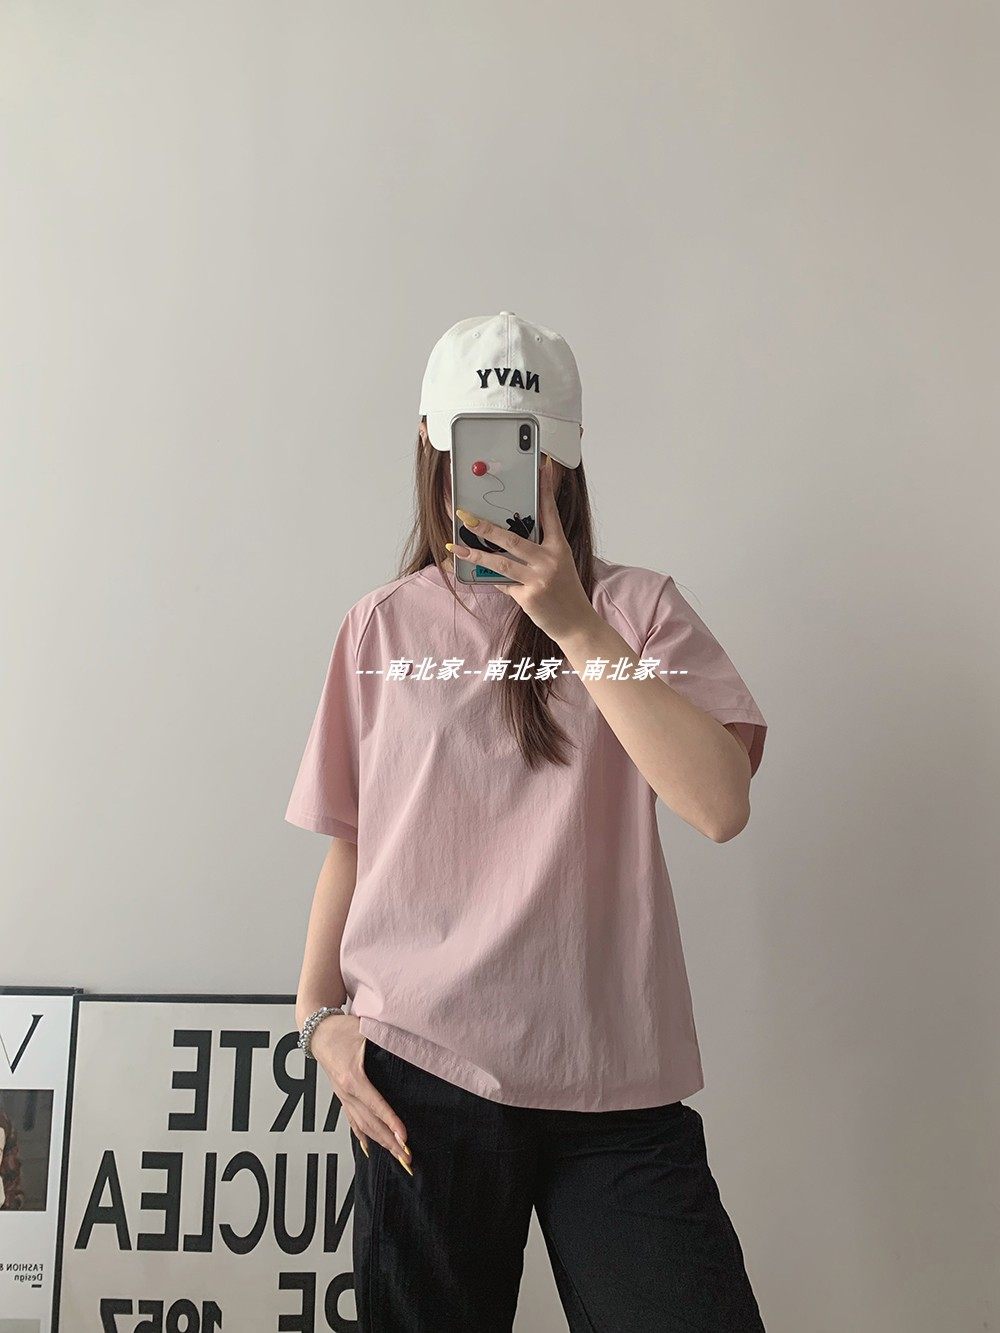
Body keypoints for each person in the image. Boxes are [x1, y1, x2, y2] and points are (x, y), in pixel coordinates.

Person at [287, 312, 768, 1331]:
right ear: (433, 449)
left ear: (565, 458)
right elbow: (353, 845)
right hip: (422, 1069)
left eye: (525, 446)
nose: (501, 474)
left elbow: (720, 804)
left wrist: (576, 624)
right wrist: (318, 1020)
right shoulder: (381, 627)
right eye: (478, 446)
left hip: (615, 1083)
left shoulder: (638, 612)